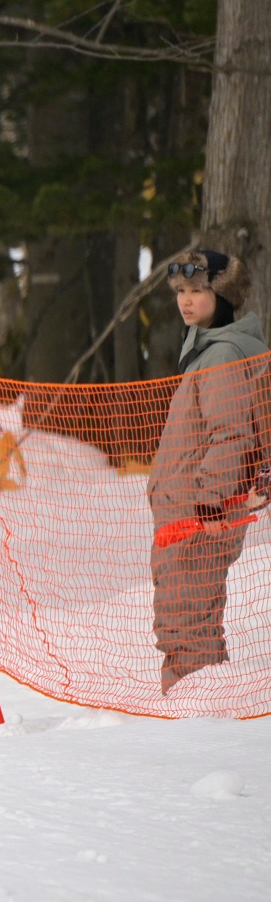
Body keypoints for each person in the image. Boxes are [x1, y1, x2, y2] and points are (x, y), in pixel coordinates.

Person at [149, 249, 267, 693]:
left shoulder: (219, 356)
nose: (186, 300)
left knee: (185, 623)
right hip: (187, 512)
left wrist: (211, 501)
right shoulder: (207, 352)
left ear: (222, 295)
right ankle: (204, 707)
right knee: (191, 618)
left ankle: (193, 713)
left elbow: (231, 433)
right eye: (181, 290)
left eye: (197, 290)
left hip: (199, 514)